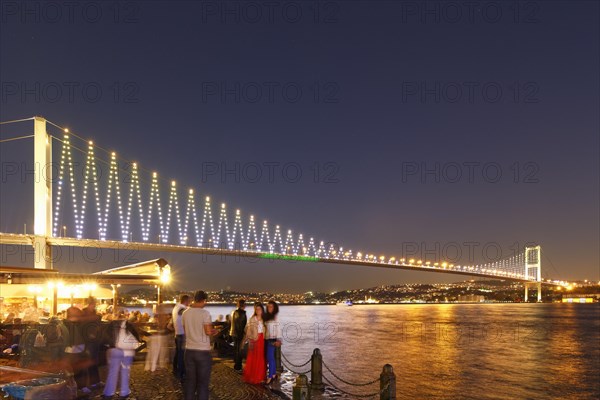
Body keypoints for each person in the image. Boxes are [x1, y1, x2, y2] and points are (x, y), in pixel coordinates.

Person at [182, 290, 217, 400]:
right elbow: (208, 332)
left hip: (189, 351)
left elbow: (185, 330)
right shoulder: (205, 313)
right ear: (203, 300)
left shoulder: (185, 313)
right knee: (202, 384)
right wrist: (214, 331)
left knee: (190, 382)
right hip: (202, 352)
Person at [101, 315, 142, 399]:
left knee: (113, 372)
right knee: (125, 372)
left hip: (114, 351)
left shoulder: (111, 325)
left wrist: (108, 345)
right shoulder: (129, 325)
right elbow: (137, 338)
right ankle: (124, 392)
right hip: (128, 352)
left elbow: (104, 338)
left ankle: (108, 393)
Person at [242, 302, 266, 385]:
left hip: (263, 340)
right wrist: (249, 340)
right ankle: (252, 377)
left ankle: (260, 377)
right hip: (255, 339)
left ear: (262, 310)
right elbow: (248, 331)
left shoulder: (265, 319)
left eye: (260, 309)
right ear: (255, 310)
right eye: (257, 309)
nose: (258, 310)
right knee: (253, 358)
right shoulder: (252, 319)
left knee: (261, 358)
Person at [172, 294, 190, 381]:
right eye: (189, 301)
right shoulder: (183, 309)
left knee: (178, 353)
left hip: (177, 333)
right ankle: (181, 373)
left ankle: (175, 369)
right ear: (186, 301)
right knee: (182, 355)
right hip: (183, 334)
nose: (189, 303)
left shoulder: (175, 308)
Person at [264, 300, 282, 384]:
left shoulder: (275, 317)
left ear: (274, 308)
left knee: (270, 358)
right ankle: (274, 374)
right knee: (271, 358)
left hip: (273, 339)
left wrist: (279, 339)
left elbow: (278, 329)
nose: (269, 308)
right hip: (267, 338)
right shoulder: (267, 316)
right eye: (268, 306)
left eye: (271, 306)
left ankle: (270, 377)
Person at [229, 298, 247, 372]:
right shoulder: (242, 313)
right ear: (243, 305)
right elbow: (241, 325)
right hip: (239, 334)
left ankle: (236, 364)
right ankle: (238, 366)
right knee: (239, 350)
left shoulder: (233, 312)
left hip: (233, 333)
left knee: (236, 348)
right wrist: (244, 334)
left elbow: (231, 322)